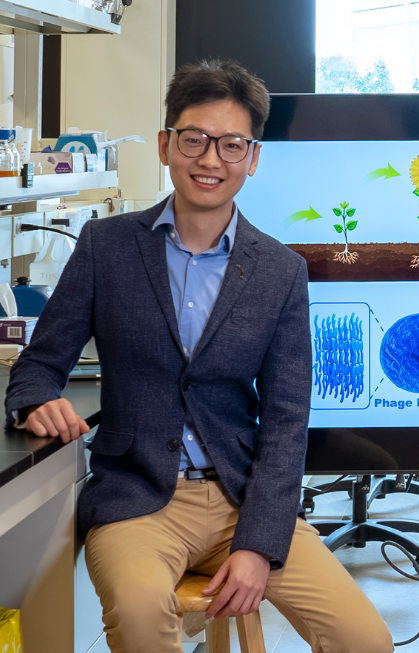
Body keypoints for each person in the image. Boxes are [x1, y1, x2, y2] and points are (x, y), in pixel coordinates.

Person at [4, 59, 393, 652]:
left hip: (244, 499)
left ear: (252, 158)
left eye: (231, 145)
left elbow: (287, 422)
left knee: (365, 639)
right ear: (166, 145)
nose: (211, 160)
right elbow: (38, 364)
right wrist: (36, 400)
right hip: (138, 502)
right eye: (194, 139)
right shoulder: (106, 246)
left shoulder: (280, 271)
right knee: (139, 618)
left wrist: (259, 546)